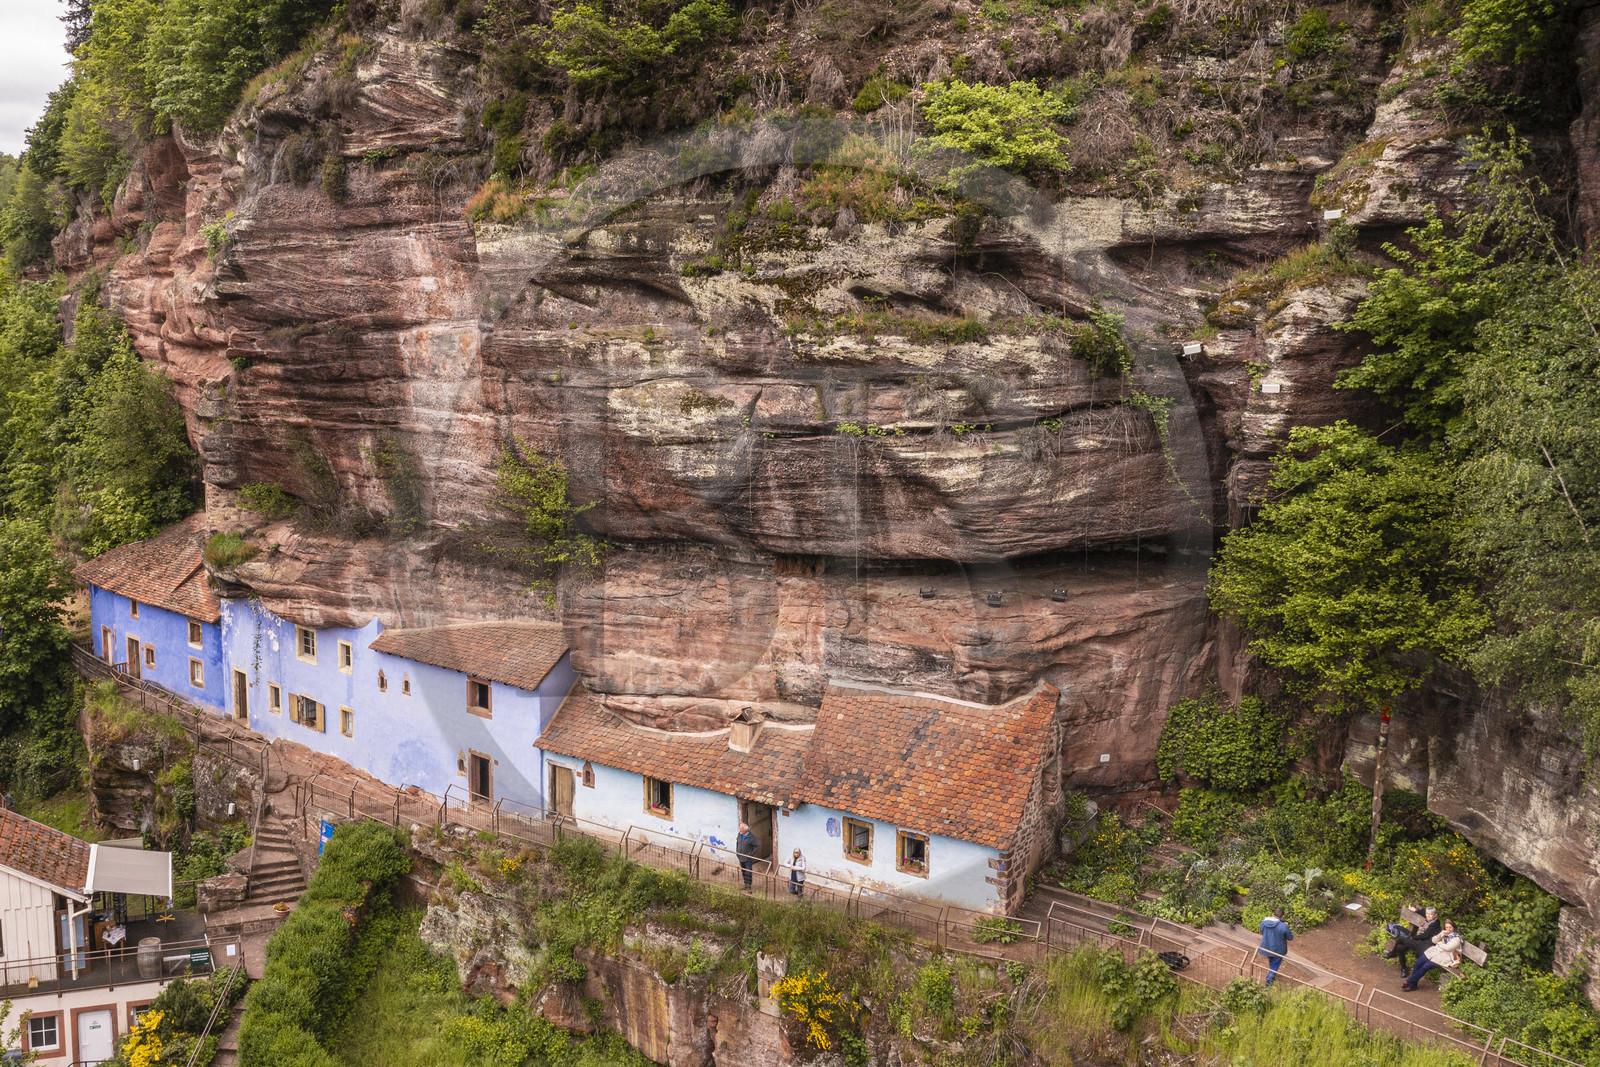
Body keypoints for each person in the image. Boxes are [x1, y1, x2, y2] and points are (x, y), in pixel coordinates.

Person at [1402, 920, 1463, 991]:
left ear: (1454, 928)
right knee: (1418, 963)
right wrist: (1441, 935)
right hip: (1435, 951)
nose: (1448, 929)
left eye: (1450, 928)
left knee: (1426, 966)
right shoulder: (1444, 933)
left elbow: (1448, 948)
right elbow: (1433, 940)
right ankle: (1413, 985)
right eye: (1447, 927)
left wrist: (1439, 944)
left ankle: (1408, 982)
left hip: (1446, 956)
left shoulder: (1457, 938)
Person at [1384, 906, 1441, 974]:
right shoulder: (1430, 920)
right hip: (1419, 941)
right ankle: (1404, 969)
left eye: (1430, 914)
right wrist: (1416, 910)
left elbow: (1424, 936)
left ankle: (1392, 954)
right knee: (1400, 947)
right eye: (1427, 913)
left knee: (1401, 939)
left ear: (1434, 915)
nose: (1428, 915)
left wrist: (1412, 938)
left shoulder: (1434, 924)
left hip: (1423, 945)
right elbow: (1423, 912)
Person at [1257, 907, 1294, 986]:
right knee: (1275, 965)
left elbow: (1261, 929)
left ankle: (1272, 975)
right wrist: (1285, 926)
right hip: (1278, 949)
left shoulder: (1264, 922)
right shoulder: (1283, 926)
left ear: (1273, 914)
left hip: (1267, 947)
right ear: (1282, 916)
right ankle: (1269, 981)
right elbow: (1290, 937)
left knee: (1272, 961)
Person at [736, 822, 758, 891]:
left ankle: (749, 887)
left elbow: (757, 846)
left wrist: (751, 854)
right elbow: (737, 842)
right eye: (739, 828)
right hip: (741, 857)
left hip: (747, 858)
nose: (740, 829)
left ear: (746, 829)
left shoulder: (751, 837)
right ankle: (745, 884)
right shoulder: (739, 834)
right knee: (743, 871)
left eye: (741, 828)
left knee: (748, 872)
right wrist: (737, 852)